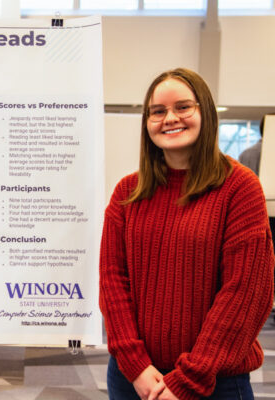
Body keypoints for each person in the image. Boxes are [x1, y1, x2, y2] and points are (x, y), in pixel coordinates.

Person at [100, 68, 274, 400]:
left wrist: (191, 377)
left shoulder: (239, 188)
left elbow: (246, 293)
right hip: (134, 378)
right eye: (158, 111)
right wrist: (134, 364)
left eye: (183, 107)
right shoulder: (128, 191)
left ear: (204, 112)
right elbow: (112, 281)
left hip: (216, 381)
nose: (170, 118)